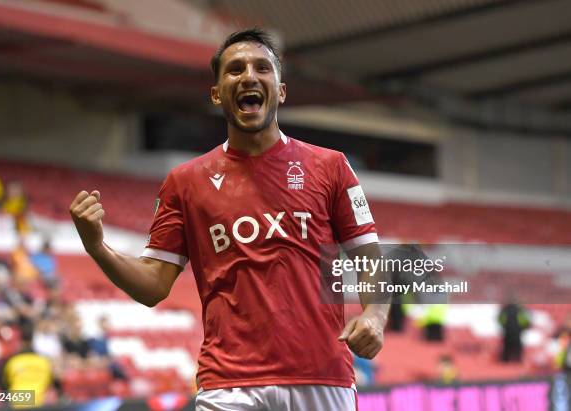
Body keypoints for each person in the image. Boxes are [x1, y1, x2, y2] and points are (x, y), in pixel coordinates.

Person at [69, 28, 389, 411]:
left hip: (321, 378)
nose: (249, 77)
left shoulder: (331, 167)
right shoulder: (185, 182)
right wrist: (96, 246)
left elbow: (369, 254)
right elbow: (153, 286)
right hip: (228, 386)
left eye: (261, 68)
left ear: (281, 90)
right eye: (235, 69)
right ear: (217, 93)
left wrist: (375, 314)